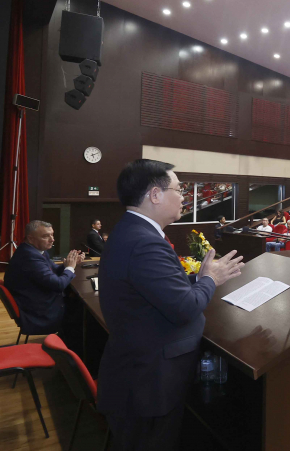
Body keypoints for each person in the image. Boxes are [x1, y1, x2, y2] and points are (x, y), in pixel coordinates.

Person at [97, 160, 243, 449]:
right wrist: (210, 279)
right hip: (148, 383)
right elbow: (184, 308)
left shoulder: (131, 231)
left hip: (138, 372)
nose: (184, 196)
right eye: (179, 189)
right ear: (155, 195)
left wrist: (198, 278)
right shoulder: (145, 242)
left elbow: (155, 286)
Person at [4, 220, 85, 345]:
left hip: (38, 301)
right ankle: (74, 348)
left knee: (78, 302)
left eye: (52, 234)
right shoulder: (30, 257)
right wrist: (70, 267)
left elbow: (54, 271)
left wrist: (67, 264)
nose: (52, 239)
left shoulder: (36, 251)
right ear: (31, 238)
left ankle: (70, 341)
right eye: (46, 236)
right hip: (39, 313)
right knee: (84, 311)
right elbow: (58, 285)